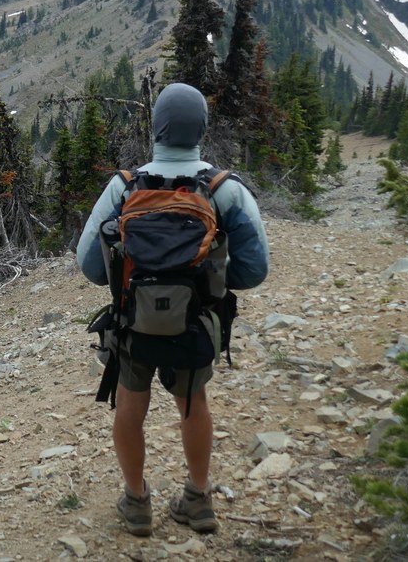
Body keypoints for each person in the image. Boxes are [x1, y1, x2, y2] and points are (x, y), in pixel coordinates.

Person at [75, 82, 269, 537]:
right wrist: (207, 278)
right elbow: (254, 270)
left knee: (130, 405)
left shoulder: (125, 186)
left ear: (156, 126)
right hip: (194, 323)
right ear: (201, 128)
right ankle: (198, 499)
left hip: (134, 322)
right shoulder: (224, 189)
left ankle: (136, 502)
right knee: (193, 403)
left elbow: (89, 265)